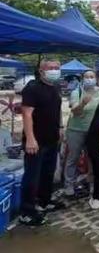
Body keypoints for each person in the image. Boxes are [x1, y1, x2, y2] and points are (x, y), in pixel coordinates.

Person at [19, 60, 65, 226]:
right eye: (50, 68)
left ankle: (45, 201)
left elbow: (58, 109)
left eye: (57, 68)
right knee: (32, 176)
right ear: (41, 70)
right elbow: (26, 114)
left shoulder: (55, 87)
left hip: (52, 139)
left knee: (48, 173)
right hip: (36, 141)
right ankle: (27, 211)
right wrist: (30, 138)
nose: (54, 70)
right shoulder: (32, 88)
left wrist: (60, 126)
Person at [64, 70, 99, 198]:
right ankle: (69, 184)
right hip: (76, 130)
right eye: (86, 77)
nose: (89, 79)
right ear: (82, 79)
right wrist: (83, 103)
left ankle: (91, 183)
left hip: (93, 131)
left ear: (96, 79)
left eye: (92, 76)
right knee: (73, 157)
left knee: (92, 158)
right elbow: (75, 111)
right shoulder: (77, 92)